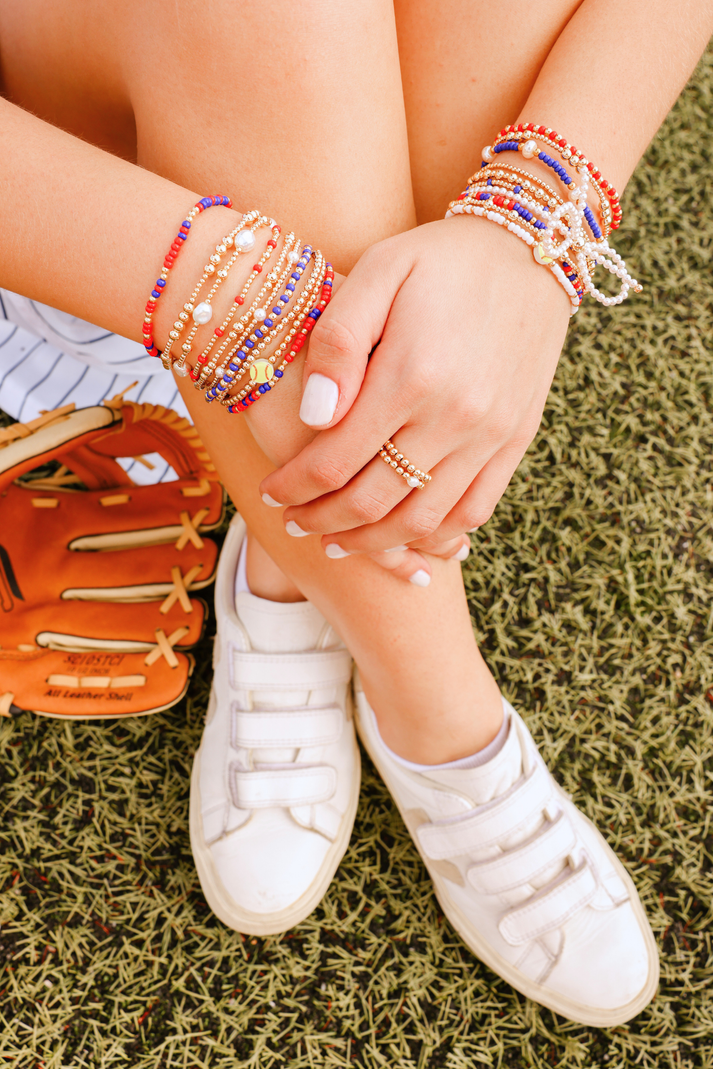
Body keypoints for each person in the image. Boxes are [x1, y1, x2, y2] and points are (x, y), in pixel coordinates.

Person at [0, 0, 710, 1027]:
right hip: (89, 232)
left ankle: (289, 570)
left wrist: (530, 219)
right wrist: (222, 287)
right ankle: (441, 716)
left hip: (337, 219)